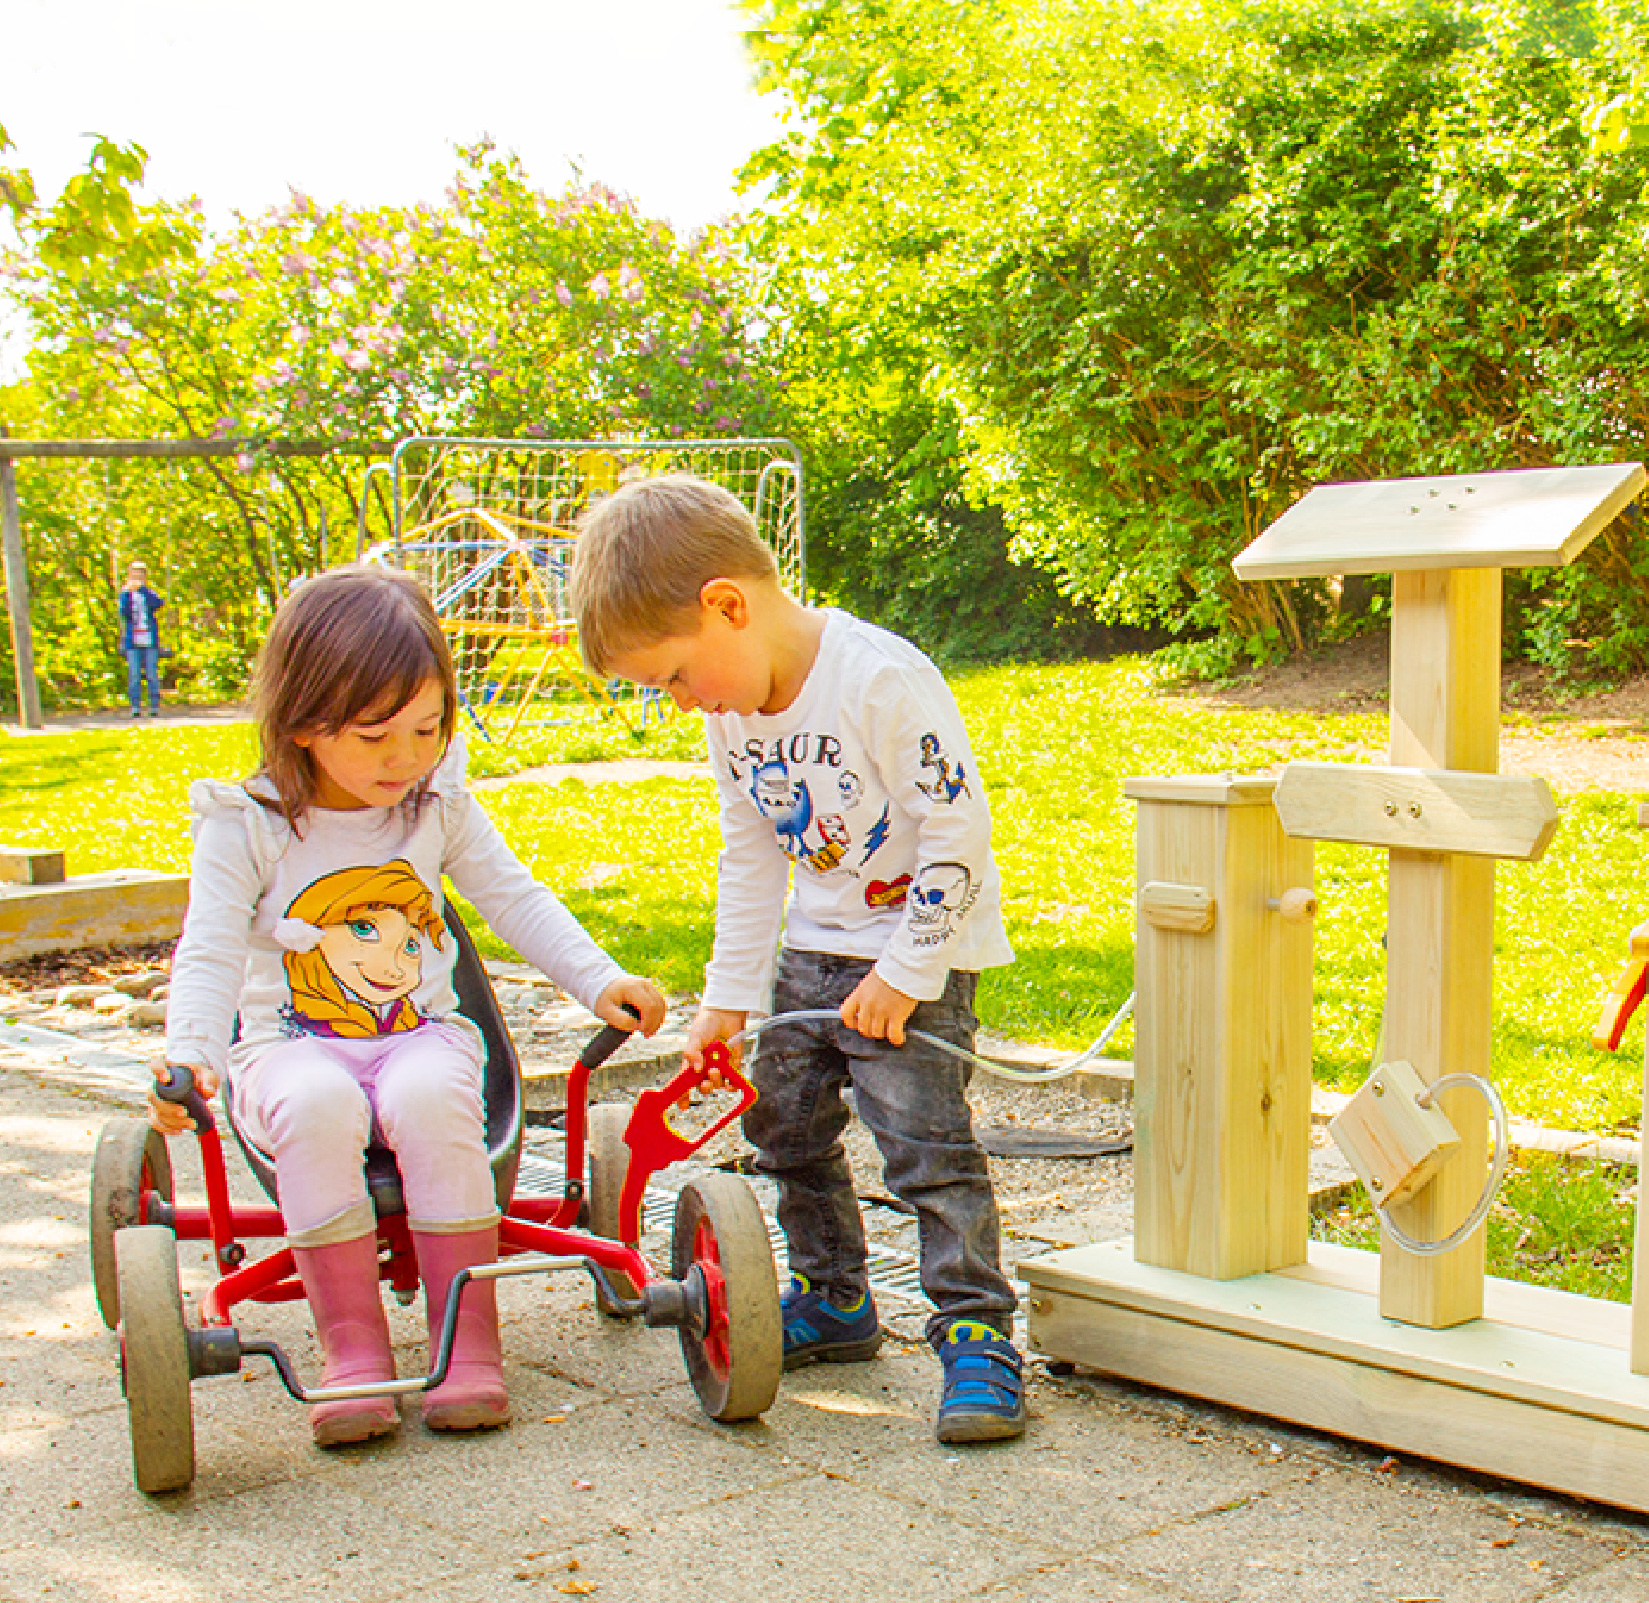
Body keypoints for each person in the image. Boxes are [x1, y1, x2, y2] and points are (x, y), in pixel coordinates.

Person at [149, 564, 666, 1446]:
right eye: (376, 734)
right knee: (316, 1106)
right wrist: (191, 1053)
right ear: (307, 723)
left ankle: (468, 1348)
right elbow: (207, 947)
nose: (406, 757)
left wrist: (598, 978)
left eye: (427, 728)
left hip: (419, 1034)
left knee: (429, 1096)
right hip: (291, 1045)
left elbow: (515, 899)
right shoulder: (247, 825)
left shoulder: (435, 805)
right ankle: (353, 1354)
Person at [570, 475, 1025, 1445]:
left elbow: (958, 829)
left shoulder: (877, 677)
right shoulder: (730, 718)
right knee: (780, 1127)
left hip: (913, 956)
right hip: (813, 950)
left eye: (676, 677)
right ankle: (834, 1296)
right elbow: (749, 854)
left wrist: (906, 971)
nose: (683, 699)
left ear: (726, 604)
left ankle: (977, 1329)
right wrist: (727, 999)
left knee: (925, 1148)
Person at [117, 560, 166, 720]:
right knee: (134, 675)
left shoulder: (148, 593)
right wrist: (126, 594)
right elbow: (124, 612)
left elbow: (159, 604)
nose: (136, 578)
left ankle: (154, 705)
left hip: (149, 639)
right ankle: (135, 706)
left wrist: (143, 590)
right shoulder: (126, 594)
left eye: (140, 575)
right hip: (133, 641)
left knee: (152, 673)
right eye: (134, 575)